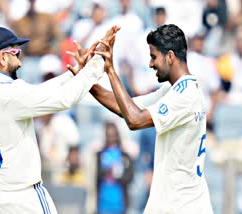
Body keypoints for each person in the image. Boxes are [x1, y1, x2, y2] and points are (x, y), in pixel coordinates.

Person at [67, 24, 213, 213]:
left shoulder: (184, 96)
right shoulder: (176, 90)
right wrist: (87, 80)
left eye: (153, 57)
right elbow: (126, 107)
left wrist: (110, 70)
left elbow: (134, 120)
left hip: (181, 206)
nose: (150, 64)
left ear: (170, 56)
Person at [0, 26, 115, 213]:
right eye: (15, 52)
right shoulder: (8, 93)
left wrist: (74, 72)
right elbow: (65, 99)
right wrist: (98, 62)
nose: (19, 61)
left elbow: (38, 92)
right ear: (2, 58)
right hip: (21, 198)